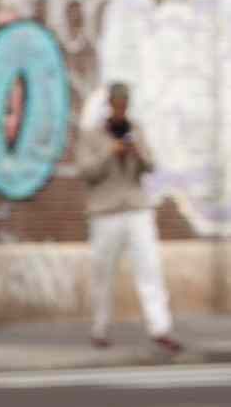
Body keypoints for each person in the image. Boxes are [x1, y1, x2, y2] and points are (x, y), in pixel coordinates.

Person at [76, 81, 181, 354]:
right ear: (110, 104)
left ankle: (161, 328)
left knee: (150, 268)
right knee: (103, 272)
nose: (121, 106)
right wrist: (109, 152)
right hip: (106, 211)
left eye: (125, 102)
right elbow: (86, 171)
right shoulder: (92, 135)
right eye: (117, 101)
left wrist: (136, 151)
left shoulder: (135, 131)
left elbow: (151, 166)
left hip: (137, 208)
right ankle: (100, 328)